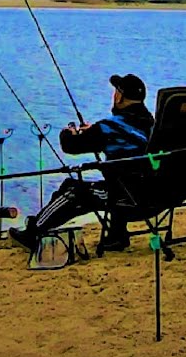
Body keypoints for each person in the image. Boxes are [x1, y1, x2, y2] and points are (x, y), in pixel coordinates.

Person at [8, 73, 154, 252]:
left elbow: (70, 146)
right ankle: (116, 236)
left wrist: (69, 131)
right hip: (153, 193)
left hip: (128, 197)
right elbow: (123, 143)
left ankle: (33, 232)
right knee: (97, 180)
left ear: (119, 96)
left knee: (75, 191)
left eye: (116, 91)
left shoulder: (110, 127)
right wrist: (93, 133)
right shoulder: (150, 123)